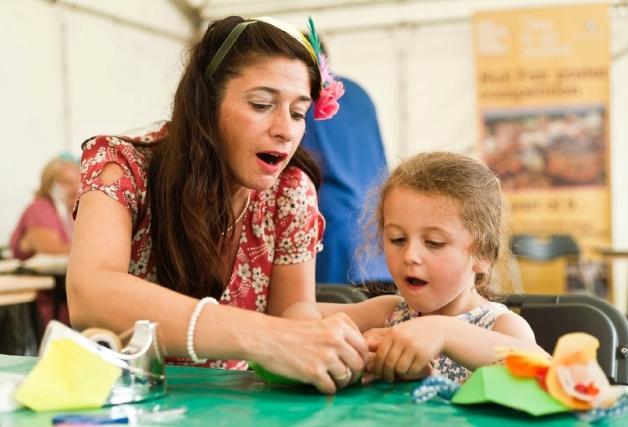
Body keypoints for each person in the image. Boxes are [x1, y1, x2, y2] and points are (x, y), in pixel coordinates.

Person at [66, 16, 367, 394]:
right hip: (125, 402)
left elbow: (293, 324)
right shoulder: (122, 167)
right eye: (261, 104)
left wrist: (383, 319)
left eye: (298, 113)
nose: (285, 130)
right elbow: (89, 294)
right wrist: (264, 337)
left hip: (236, 405)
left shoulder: (290, 192)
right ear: (206, 103)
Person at [284, 152, 547, 384]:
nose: (410, 255)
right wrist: (342, 346)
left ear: (482, 254)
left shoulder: (501, 326)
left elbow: (546, 371)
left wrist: (444, 332)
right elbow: (297, 312)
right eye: (397, 239)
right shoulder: (389, 312)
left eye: (433, 243)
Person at [301, 51, 391, 285]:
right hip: (377, 233)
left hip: (333, 237)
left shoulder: (304, 98)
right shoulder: (359, 93)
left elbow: (301, 168)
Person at [10, 155, 80, 261]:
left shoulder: (72, 213)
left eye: (79, 181)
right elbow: (51, 250)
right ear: (51, 185)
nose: (76, 188)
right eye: (67, 182)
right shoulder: (40, 209)